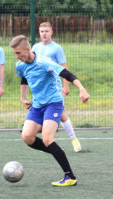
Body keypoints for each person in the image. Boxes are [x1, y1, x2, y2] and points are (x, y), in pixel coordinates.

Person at [10, 35, 90, 186]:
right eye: (15, 53)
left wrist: (82, 90)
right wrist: (23, 98)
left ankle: (70, 177)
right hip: (37, 105)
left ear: (28, 49)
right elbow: (24, 78)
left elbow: (67, 73)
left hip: (53, 103)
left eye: (18, 53)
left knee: (47, 139)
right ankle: (57, 151)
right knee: (27, 137)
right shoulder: (19, 65)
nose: (17, 56)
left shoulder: (44, 62)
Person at [32, 22, 82, 152]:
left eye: (46, 31)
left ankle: (73, 139)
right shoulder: (35, 48)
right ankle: (50, 142)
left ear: (52, 32)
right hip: (40, 89)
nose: (44, 33)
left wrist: (66, 86)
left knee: (61, 115)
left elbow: (64, 68)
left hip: (54, 88)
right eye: (42, 31)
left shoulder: (57, 48)